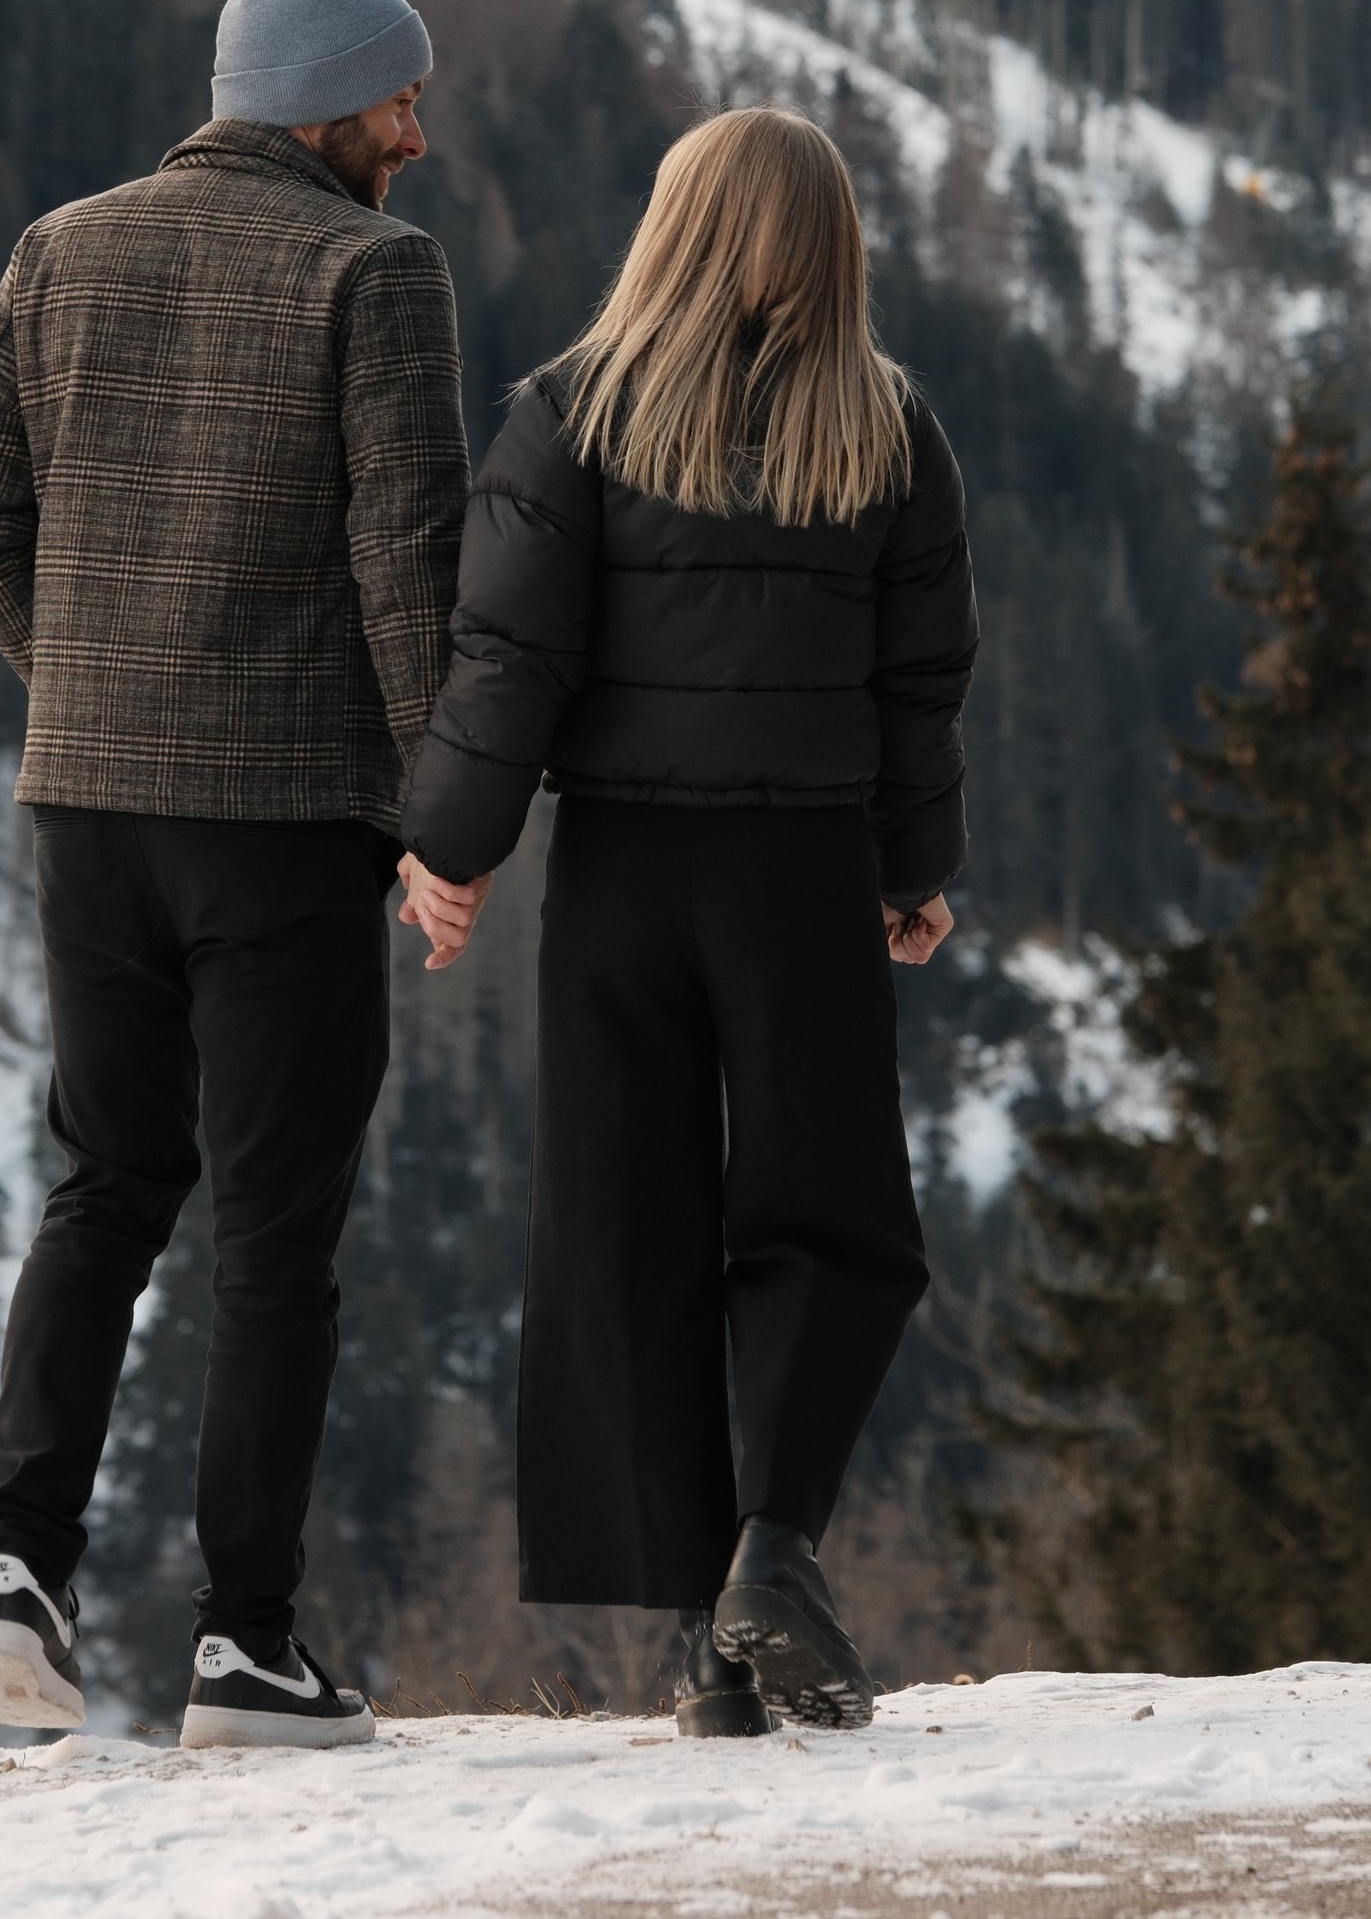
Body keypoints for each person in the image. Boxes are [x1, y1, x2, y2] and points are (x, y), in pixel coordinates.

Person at [0, 0, 471, 1749]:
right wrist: (440, 812)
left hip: (86, 810)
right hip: (286, 827)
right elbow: (411, 574)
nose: (417, 134)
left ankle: (18, 1564)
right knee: (273, 1236)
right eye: (399, 102)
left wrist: (88, 681)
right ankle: (245, 1642)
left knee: (106, 1185)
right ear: (325, 111)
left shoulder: (62, 248)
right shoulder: (373, 274)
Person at [397, 105, 976, 1736]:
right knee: (837, 1221)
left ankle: (697, 1638)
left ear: (674, 227)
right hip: (797, 869)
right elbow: (919, 684)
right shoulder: (889, 431)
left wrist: (453, 846)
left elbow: (508, 659)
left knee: (626, 1232)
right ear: (831, 241)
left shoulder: (570, 414)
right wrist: (909, 867)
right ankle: (770, 1560)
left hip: (622, 881)